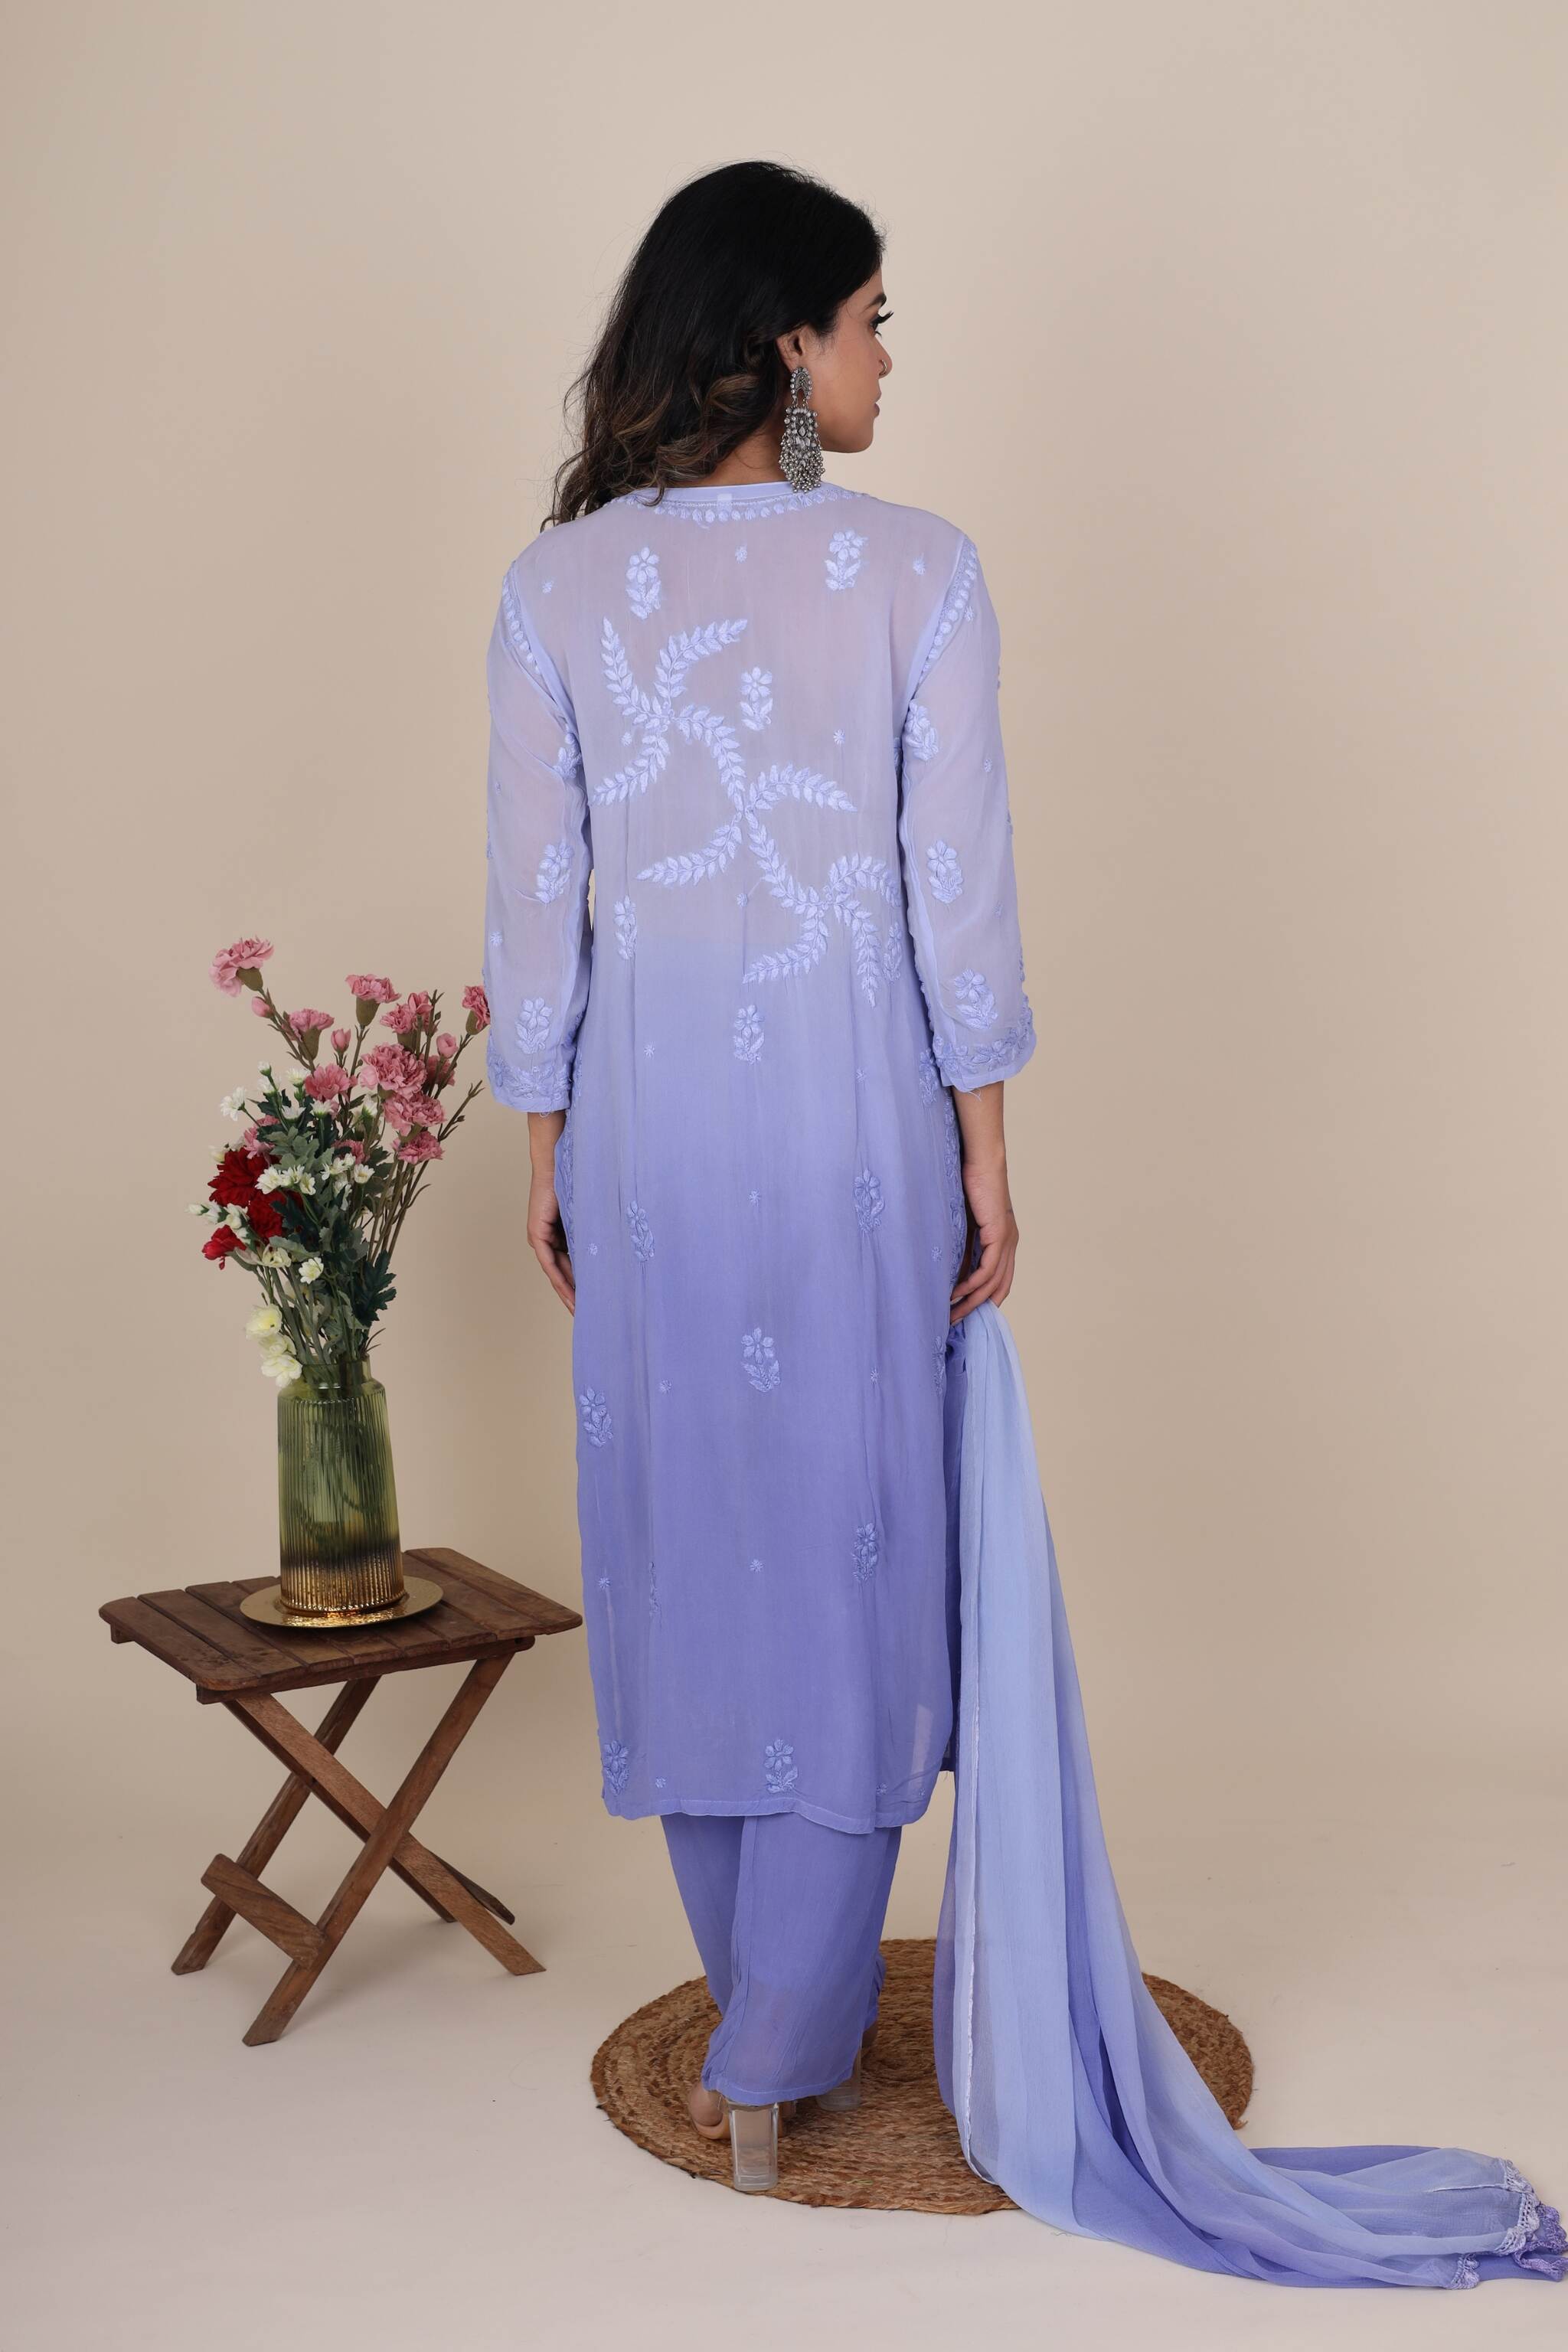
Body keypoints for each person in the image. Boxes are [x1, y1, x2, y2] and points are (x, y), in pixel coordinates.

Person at [481, 162, 1565, 2283]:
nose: (892, 358)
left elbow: (543, 917)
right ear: (784, 340)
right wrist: (988, 1149)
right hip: (857, 1136)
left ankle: (760, 2046)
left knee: (698, 1536)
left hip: (647, 1142)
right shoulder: (922, 573)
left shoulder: (552, 592)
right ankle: (787, 2025)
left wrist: (544, 1145)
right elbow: (949, 890)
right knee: (850, 1549)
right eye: (873, 319)